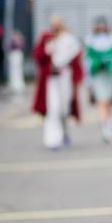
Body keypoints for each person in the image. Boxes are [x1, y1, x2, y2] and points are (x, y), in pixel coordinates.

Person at [32, 16, 84, 149]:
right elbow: (38, 56)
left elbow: (76, 59)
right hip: (51, 79)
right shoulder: (47, 38)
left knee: (64, 109)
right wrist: (46, 51)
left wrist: (77, 78)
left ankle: (65, 132)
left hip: (65, 77)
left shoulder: (69, 39)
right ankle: (53, 139)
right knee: (53, 109)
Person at [85, 16, 112, 142]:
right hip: (97, 75)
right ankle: (105, 127)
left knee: (108, 101)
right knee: (101, 101)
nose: (101, 27)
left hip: (109, 74)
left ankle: (108, 121)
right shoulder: (90, 40)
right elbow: (87, 61)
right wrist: (87, 80)